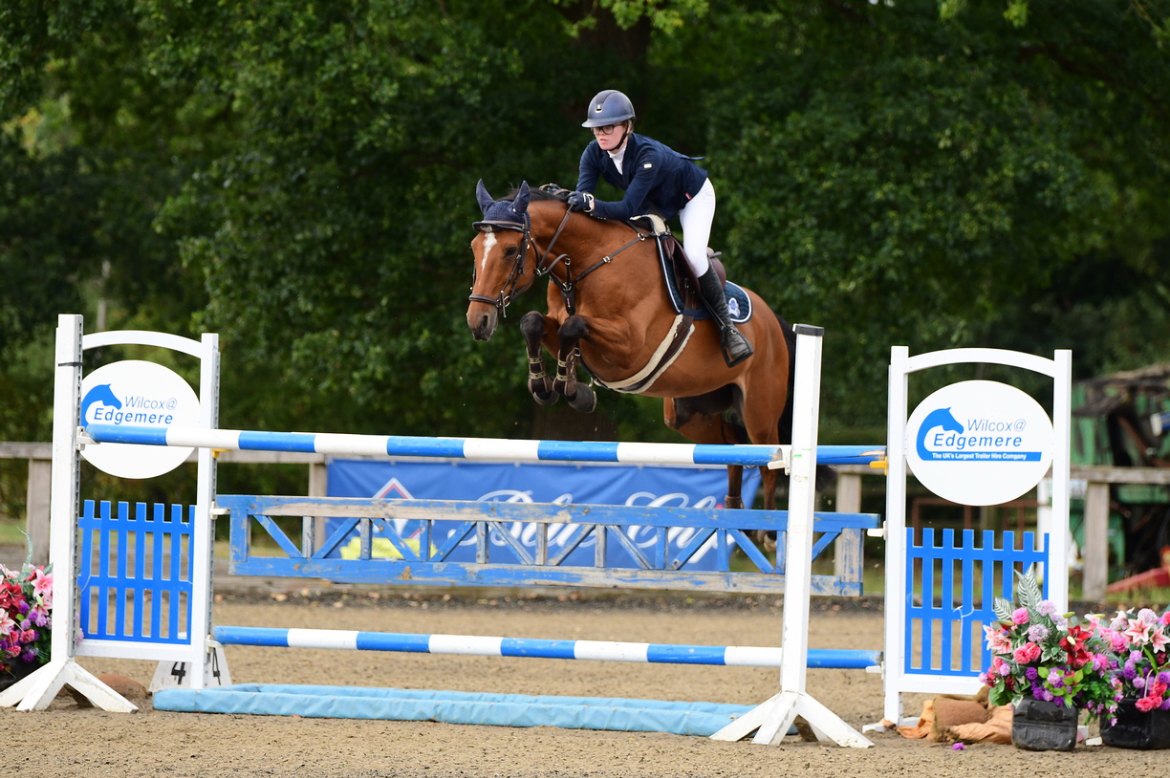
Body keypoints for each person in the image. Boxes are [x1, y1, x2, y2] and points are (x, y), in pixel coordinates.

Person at [565, 89, 753, 368]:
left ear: (627, 126)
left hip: (692, 197)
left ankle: (728, 329)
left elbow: (627, 208)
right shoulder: (593, 154)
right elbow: (585, 198)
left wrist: (592, 205)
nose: (600, 134)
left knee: (694, 256)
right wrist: (579, 202)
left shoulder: (646, 155)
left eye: (607, 127)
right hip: (653, 202)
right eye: (595, 129)